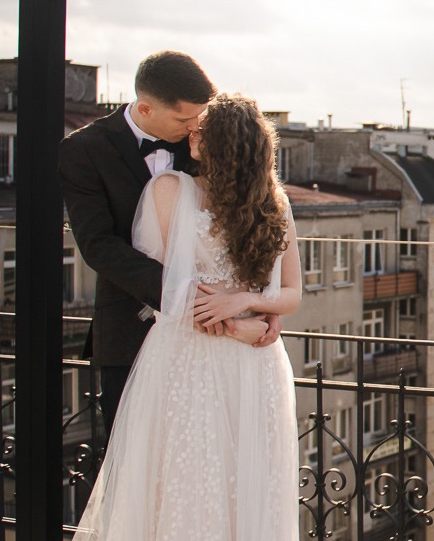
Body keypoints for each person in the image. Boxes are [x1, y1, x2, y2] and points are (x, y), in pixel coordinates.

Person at [4, 93, 337, 541]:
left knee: (248, 510)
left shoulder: (271, 203)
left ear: (217, 144)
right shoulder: (168, 191)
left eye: (201, 131)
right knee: (187, 507)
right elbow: (163, 290)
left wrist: (242, 308)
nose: (190, 138)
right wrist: (246, 323)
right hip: (192, 364)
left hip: (245, 369)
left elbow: (291, 294)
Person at [60, 52, 278, 436]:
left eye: (200, 117)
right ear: (145, 108)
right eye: (184, 119)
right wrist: (192, 302)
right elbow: (98, 245)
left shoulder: (200, 142)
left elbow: (241, 217)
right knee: (135, 462)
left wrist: (257, 301)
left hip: (214, 346)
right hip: (130, 331)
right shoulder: (84, 150)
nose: (196, 127)